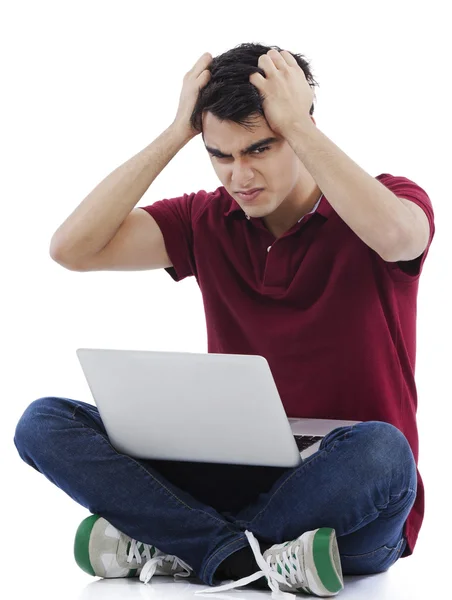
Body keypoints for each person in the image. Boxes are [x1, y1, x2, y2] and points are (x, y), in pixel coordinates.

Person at [13, 42, 435, 598]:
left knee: (383, 452)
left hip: (346, 500)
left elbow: (398, 237)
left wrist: (299, 124)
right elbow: (72, 249)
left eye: (261, 147)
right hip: (234, 477)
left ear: (301, 128)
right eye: (221, 154)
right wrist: (174, 133)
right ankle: (244, 555)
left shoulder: (386, 201)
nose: (240, 175)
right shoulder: (203, 219)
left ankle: (182, 545)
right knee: (43, 422)